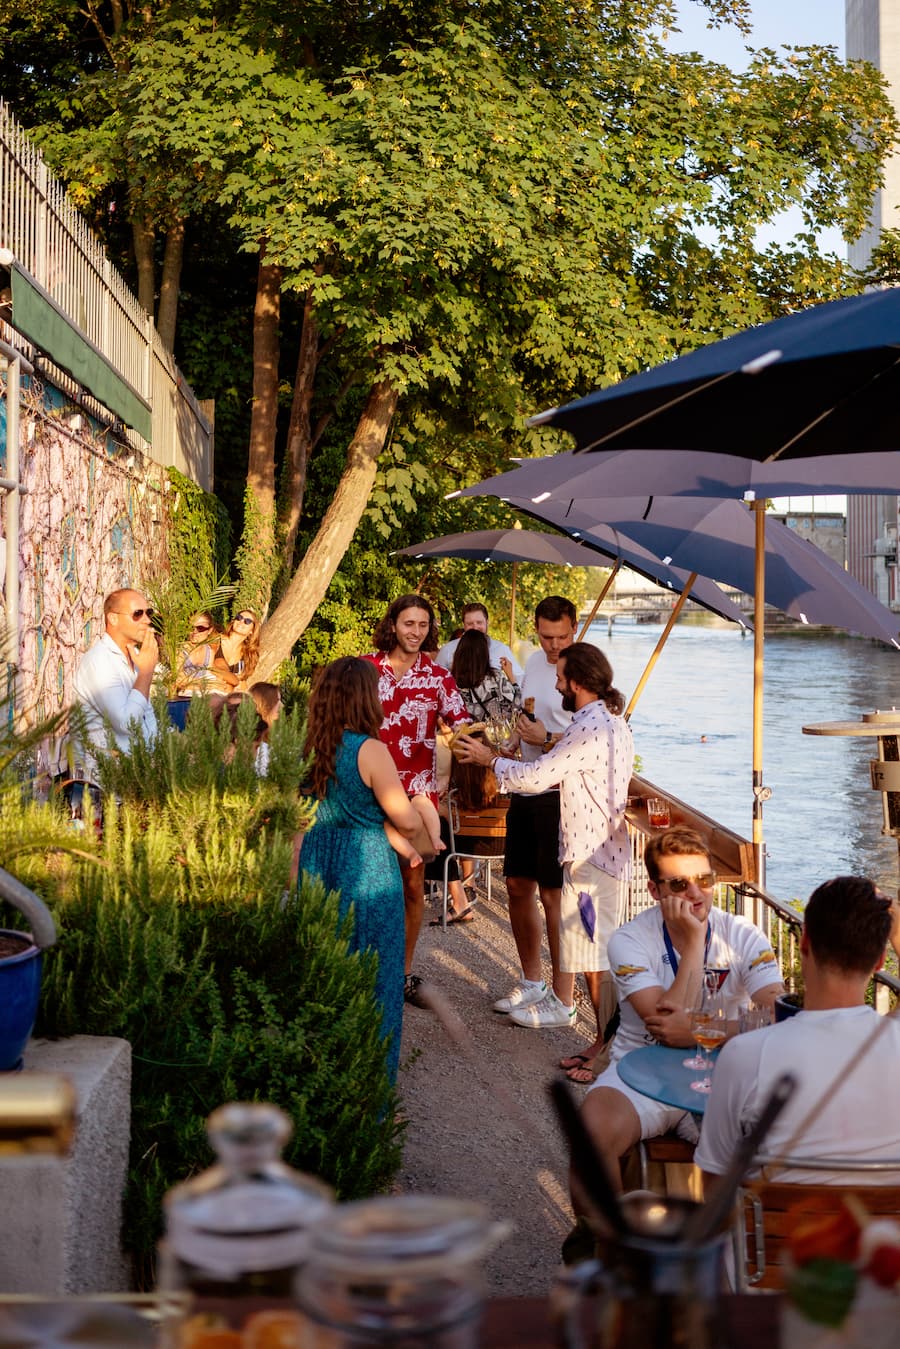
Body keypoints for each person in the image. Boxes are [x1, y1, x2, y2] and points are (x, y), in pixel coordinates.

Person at [577, 826, 783, 1195]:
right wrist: (694, 942)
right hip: (641, 1072)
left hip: (723, 1077)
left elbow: (777, 1012)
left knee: (776, 1149)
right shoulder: (629, 940)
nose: (695, 893)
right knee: (590, 1142)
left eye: (704, 879)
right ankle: (607, 1246)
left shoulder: (744, 935)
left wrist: (708, 1032)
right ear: (654, 891)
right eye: (678, 885)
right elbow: (666, 1027)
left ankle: (734, 1247)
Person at [457, 642, 633, 1055]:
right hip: (598, 854)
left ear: (579, 681)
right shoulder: (606, 720)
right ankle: (599, 1046)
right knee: (592, 953)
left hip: (591, 859)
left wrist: (488, 759)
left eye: (561, 678)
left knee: (594, 959)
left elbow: (538, 777)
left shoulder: (591, 728)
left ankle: (605, 1052)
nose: (556, 685)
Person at [697, 876, 900, 1190]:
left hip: (775, 1239)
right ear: (877, 963)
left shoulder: (746, 1055)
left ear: (804, 943)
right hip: (881, 1237)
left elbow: (714, 1184)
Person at [299, 657, 438, 1084]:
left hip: (318, 859)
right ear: (365, 698)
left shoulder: (307, 745)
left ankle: (320, 1078)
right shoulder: (370, 749)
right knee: (376, 976)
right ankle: (369, 1090)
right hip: (367, 867)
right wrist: (416, 806)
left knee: (322, 973)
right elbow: (408, 822)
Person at [364, 594, 469, 1006]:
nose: (416, 632)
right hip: (368, 792)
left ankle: (401, 972)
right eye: (409, 623)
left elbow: (462, 725)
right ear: (393, 624)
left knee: (412, 888)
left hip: (416, 794)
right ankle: (363, 967)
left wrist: (487, 749)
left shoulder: (439, 677)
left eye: (423, 625)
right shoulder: (366, 668)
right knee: (369, 886)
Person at [478, 595, 577, 1027]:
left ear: (575, 630)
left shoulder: (585, 669)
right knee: (518, 885)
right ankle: (531, 980)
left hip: (561, 794)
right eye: (546, 636)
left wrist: (548, 735)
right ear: (536, 630)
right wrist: (515, 743)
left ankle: (561, 995)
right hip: (524, 786)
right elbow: (528, 718)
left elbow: (593, 737)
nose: (554, 645)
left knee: (555, 896)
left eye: (562, 637)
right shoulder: (536, 662)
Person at [72, 588, 159, 779]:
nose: (146, 620)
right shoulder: (99, 661)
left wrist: (159, 755)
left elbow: (147, 715)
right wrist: (146, 673)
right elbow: (126, 724)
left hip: (138, 775)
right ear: (113, 618)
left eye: (148, 613)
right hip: (108, 784)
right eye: (138, 614)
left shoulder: (133, 658)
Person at [437, 603, 523, 683]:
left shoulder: (501, 649)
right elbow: (435, 680)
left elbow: (520, 680)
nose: (475, 627)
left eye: (479, 622)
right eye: (470, 624)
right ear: (464, 625)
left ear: (487, 622)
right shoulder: (448, 650)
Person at [210, 608, 260, 691]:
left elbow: (242, 684)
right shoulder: (216, 640)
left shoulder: (246, 657)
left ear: (252, 631)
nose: (241, 622)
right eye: (239, 617)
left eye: (247, 621)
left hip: (225, 698)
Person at [174, 611, 221, 695]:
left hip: (203, 691)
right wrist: (205, 686)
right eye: (191, 628)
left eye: (200, 628)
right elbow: (180, 682)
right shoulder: (180, 651)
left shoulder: (210, 651)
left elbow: (208, 675)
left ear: (210, 630)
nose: (195, 632)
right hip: (186, 694)